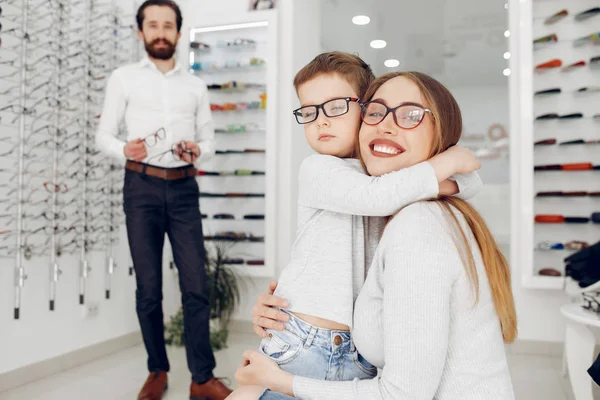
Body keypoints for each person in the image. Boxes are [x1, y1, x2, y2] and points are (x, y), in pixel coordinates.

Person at [232, 72, 517, 399]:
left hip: (349, 359)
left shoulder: (415, 222)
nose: (386, 125)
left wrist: (282, 382)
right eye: (377, 112)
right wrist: (290, 297)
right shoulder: (342, 177)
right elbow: (380, 195)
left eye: (410, 115)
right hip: (307, 337)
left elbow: (402, 394)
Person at [95, 1, 232, 399]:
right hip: (141, 189)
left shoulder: (196, 86)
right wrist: (125, 150)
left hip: (185, 189)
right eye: (152, 25)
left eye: (167, 25)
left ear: (178, 32)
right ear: (141, 32)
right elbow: (104, 135)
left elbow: (210, 141)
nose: (160, 32)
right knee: (149, 289)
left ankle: (201, 378)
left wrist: (198, 151)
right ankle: (157, 370)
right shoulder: (123, 79)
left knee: (196, 286)